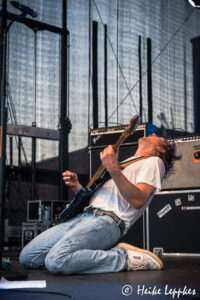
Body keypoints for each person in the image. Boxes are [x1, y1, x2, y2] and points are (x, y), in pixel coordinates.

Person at [19, 133, 177, 274]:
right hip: (85, 216)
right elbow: (100, 198)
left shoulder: (155, 162)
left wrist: (113, 167)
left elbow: (138, 200)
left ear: (161, 149)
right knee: (27, 257)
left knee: (56, 261)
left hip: (108, 221)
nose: (153, 133)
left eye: (159, 137)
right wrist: (76, 186)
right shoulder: (126, 163)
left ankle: (124, 257)